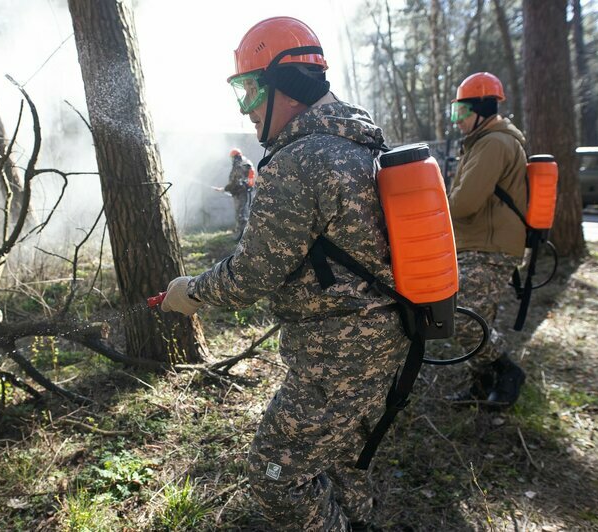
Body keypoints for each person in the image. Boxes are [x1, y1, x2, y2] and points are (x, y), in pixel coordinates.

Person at [160, 16, 409, 530]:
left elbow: (251, 275)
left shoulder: (299, 160)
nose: (247, 111)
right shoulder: (360, 142)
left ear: (287, 87)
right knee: (345, 457)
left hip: (337, 352)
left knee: (276, 477)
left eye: (250, 91)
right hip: (386, 336)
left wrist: (189, 293)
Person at [447, 72, 528, 406]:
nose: (457, 122)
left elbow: (464, 203)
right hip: (481, 243)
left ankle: (508, 371)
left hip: (489, 246)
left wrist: (433, 209)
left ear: (480, 109)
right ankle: (482, 385)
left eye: (461, 113)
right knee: (480, 317)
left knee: (460, 313)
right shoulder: (482, 142)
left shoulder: (493, 143)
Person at [223, 148, 255, 239]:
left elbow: (235, 181)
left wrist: (226, 188)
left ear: (235, 157)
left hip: (241, 193)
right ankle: (243, 235)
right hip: (245, 191)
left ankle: (242, 236)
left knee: (241, 214)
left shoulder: (239, 165)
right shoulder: (246, 163)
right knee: (244, 212)